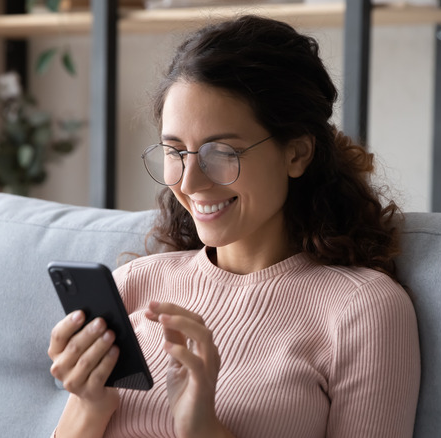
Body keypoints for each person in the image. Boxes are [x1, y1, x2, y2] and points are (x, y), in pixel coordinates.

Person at [48, 15, 420, 438]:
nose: (189, 183)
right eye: (176, 151)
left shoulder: (361, 311)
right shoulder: (135, 285)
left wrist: (204, 428)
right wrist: (89, 405)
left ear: (297, 153)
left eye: (222, 151)